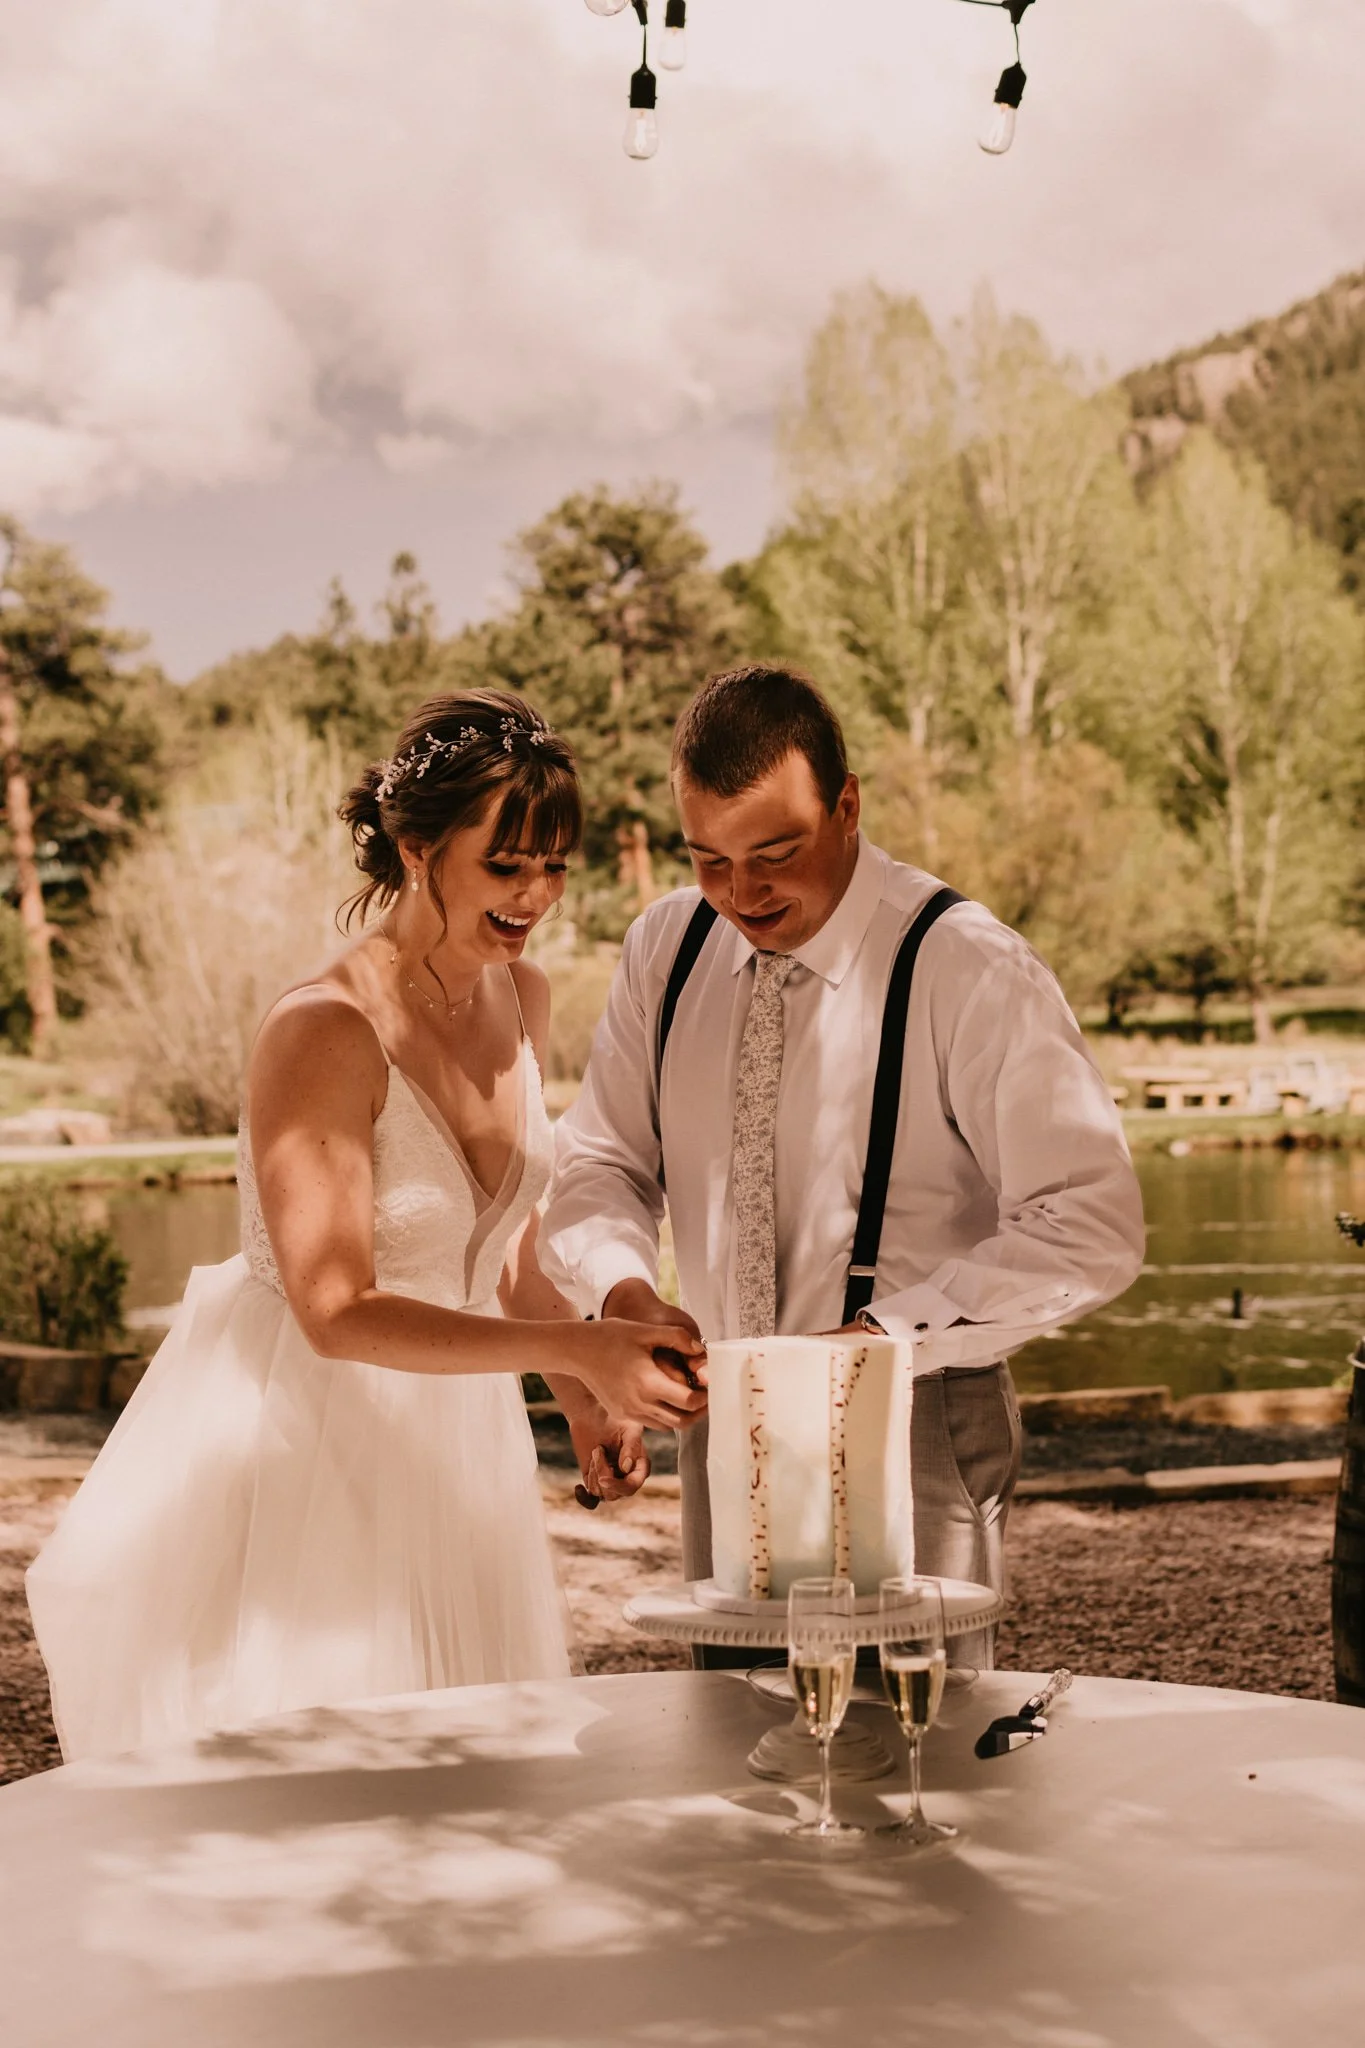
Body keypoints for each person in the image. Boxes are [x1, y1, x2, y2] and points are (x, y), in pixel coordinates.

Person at [27, 690, 706, 1759]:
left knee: (477, 1777)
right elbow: (333, 1310)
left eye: (556, 865)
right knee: (331, 1789)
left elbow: (509, 1253)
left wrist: (580, 1398)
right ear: (415, 845)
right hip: (308, 1449)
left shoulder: (521, 996)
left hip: (458, 1449)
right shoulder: (322, 1030)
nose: (537, 895)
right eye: (507, 864)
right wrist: (574, 1346)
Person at [541, 666, 1145, 1662]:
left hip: (915, 1419)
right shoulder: (665, 947)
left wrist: (878, 1334)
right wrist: (622, 1289)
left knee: (921, 1768)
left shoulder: (967, 966)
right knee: (735, 1756)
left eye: (775, 852)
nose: (742, 893)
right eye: (709, 859)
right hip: (723, 1426)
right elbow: (599, 1159)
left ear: (849, 804)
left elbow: (1090, 1224)